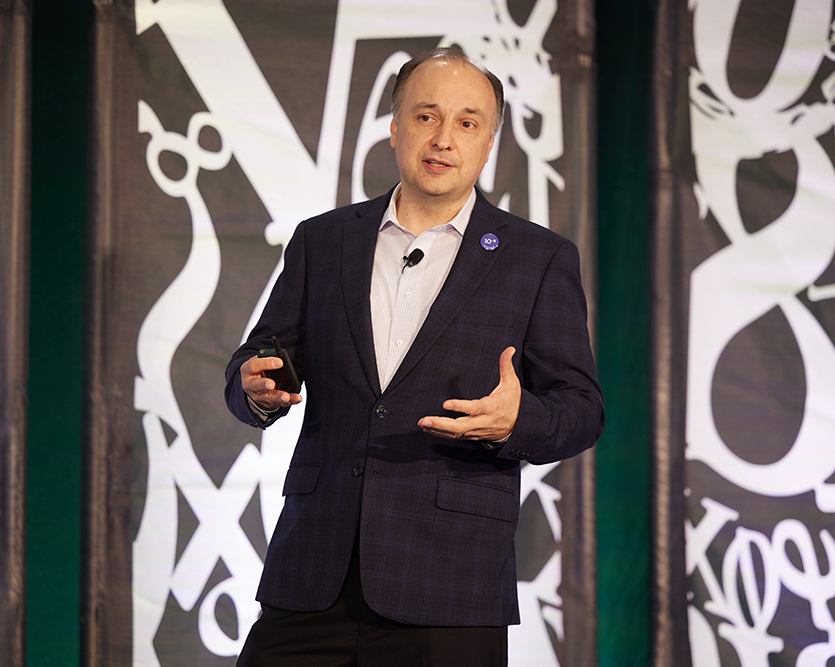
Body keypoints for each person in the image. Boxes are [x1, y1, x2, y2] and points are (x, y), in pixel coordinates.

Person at [225, 46, 604, 667]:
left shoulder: (537, 258)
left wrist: (517, 421)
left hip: (448, 585)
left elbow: (582, 410)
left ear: (488, 145)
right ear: (396, 128)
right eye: (426, 116)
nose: (444, 138)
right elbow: (259, 360)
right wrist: (254, 389)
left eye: (467, 122)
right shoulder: (324, 241)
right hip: (313, 573)